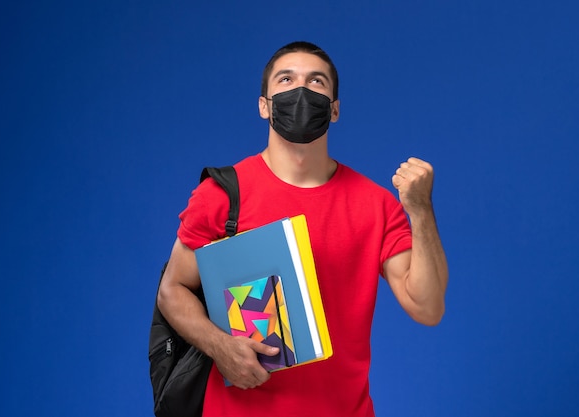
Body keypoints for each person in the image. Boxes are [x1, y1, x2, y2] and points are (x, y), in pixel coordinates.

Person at [157, 41, 448, 417]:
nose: (301, 91)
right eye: (286, 79)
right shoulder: (223, 195)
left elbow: (427, 307)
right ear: (264, 105)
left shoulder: (375, 204)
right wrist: (219, 346)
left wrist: (420, 210)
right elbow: (172, 291)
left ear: (335, 109)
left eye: (316, 82)